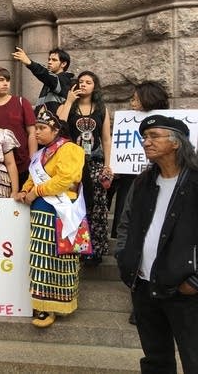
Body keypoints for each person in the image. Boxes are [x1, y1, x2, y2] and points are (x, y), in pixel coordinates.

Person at [115, 115, 198, 373]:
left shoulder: (195, 181)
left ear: (176, 143)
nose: (146, 142)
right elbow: (126, 224)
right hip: (144, 286)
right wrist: (125, 258)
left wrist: (195, 280)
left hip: (185, 289)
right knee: (155, 360)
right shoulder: (143, 183)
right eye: (144, 137)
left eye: (154, 137)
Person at [13, 107, 86, 328]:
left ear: (56, 130)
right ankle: (43, 304)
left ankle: (55, 305)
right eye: (35, 128)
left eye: (42, 128)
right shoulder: (40, 154)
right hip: (41, 210)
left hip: (62, 211)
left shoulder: (70, 149)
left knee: (59, 258)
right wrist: (25, 191)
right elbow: (31, 180)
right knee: (41, 258)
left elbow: (66, 178)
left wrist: (38, 191)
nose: (36, 132)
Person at [56, 71, 112, 266]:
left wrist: (108, 164)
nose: (84, 85)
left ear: (94, 86)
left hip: (95, 162)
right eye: (81, 82)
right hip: (72, 162)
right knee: (75, 205)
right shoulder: (69, 107)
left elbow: (106, 138)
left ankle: (95, 249)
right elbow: (58, 124)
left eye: (88, 82)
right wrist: (69, 101)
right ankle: (76, 246)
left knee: (96, 205)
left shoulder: (101, 108)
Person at [112, 81, 170, 238]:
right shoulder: (126, 123)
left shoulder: (170, 125)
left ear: (148, 99)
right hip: (130, 182)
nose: (132, 104)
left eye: (135, 99)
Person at [0, 67, 37, 188]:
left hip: (23, 165)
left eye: (8, 80)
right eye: (0, 80)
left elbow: (32, 132)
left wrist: (33, 161)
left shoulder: (21, 102)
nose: (5, 83)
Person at [12, 46, 75, 113]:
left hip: (54, 122)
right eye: (49, 59)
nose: (49, 62)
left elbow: (45, 74)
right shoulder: (51, 81)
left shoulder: (64, 80)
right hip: (42, 122)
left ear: (63, 64)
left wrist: (29, 62)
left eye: (54, 60)